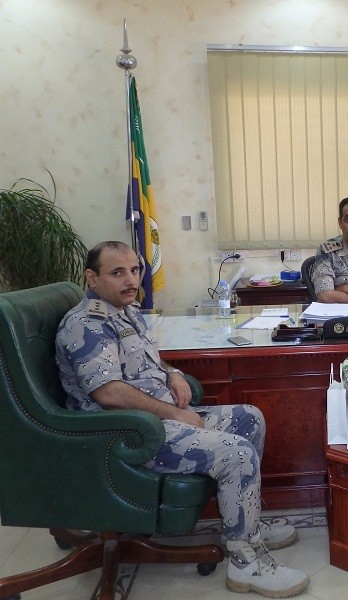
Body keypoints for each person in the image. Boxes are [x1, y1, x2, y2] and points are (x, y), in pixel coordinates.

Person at [55, 241, 310, 598]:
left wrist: (172, 372)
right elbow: (108, 393)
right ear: (92, 278)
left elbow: (145, 362)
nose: (131, 280)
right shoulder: (86, 324)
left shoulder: (124, 311)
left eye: (135, 270)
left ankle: (246, 525)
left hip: (153, 420)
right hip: (125, 435)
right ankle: (245, 564)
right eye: (118, 273)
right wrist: (176, 414)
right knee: (235, 452)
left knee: (249, 418)